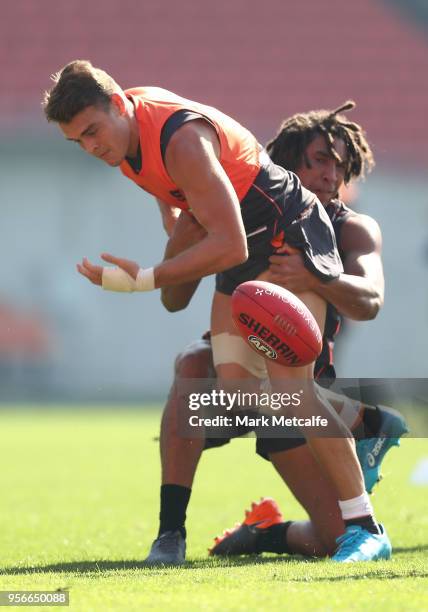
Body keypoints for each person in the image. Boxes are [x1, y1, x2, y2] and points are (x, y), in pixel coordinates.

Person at [44, 61, 390, 564]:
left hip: (284, 236)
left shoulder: (180, 139)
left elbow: (223, 243)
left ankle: (366, 526)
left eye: (94, 131)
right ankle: (356, 422)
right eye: (78, 141)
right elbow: (186, 219)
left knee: (292, 392)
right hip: (241, 250)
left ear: (119, 104)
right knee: (236, 393)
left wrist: (143, 278)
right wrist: (172, 257)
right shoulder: (125, 144)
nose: (92, 147)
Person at [147, 103, 408, 564]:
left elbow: (370, 300)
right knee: (193, 363)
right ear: (286, 164)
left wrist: (315, 278)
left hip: (293, 399)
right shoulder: (241, 211)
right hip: (241, 381)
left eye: (340, 164)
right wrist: (184, 238)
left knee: (329, 541)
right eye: (320, 160)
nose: (333, 174)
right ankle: (170, 534)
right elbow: (173, 301)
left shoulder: (352, 229)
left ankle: (265, 532)